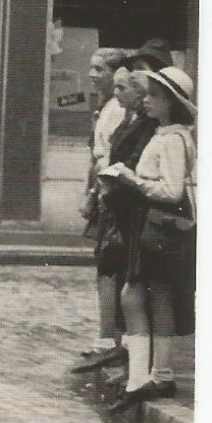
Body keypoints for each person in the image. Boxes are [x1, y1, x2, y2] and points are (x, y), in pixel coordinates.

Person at [102, 67, 196, 413]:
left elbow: (171, 191)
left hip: (157, 224)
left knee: (140, 296)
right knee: (153, 298)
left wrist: (130, 179)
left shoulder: (172, 138)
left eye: (155, 95)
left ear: (171, 103)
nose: (147, 100)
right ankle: (150, 376)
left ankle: (149, 377)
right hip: (152, 224)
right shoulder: (166, 133)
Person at [76, 63, 158, 375]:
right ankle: (117, 343)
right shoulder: (125, 118)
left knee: (122, 273)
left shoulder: (144, 125)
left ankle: (121, 346)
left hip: (125, 204)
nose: (116, 93)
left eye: (123, 88)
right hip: (112, 198)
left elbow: (124, 161)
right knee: (111, 267)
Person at [79, 49, 131, 361]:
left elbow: (108, 157)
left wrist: (93, 195)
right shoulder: (106, 106)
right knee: (105, 264)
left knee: (108, 264)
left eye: (99, 69)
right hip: (101, 187)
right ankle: (107, 333)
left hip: (107, 191)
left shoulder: (115, 109)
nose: (92, 74)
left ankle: (108, 336)